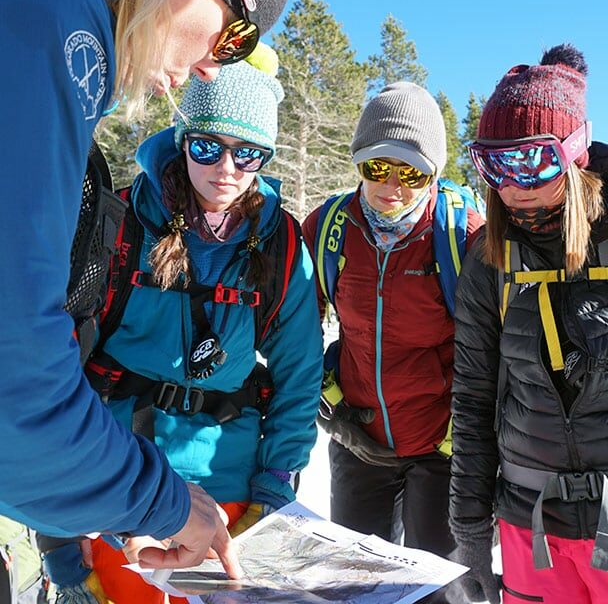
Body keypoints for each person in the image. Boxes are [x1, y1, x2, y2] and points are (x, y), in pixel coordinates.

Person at [0, 0, 294, 577]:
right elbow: (14, 394)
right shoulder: (48, 11)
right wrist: (158, 501)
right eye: (231, 35)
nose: (207, 64)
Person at [46, 57, 323, 603]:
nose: (226, 168)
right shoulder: (118, 221)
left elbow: (300, 374)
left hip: (229, 484)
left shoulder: (281, 245)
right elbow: (56, 363)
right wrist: (59, 521)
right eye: (206, 148)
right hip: (118, 481)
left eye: (248, 154)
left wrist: (276, 483)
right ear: (182, 140)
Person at [302, 82, 484, 603]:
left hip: (440, 446)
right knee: (355, 588)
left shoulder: (461, 237)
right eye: (377, 166)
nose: (392, 186)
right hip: (360, 439)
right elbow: (295, 329)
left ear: (434, 174)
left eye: (412, 172)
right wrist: (329, 405)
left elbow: (492, 351)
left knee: (437, 590)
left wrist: (462, 437)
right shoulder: (330, 228)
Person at [449, 44, 608, 604]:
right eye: (496, 163)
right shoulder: (486, 260)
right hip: (528, 525)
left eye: (532, 160)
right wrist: (469, 533)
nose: (514, 184)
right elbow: (471, 397)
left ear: (575, 153)